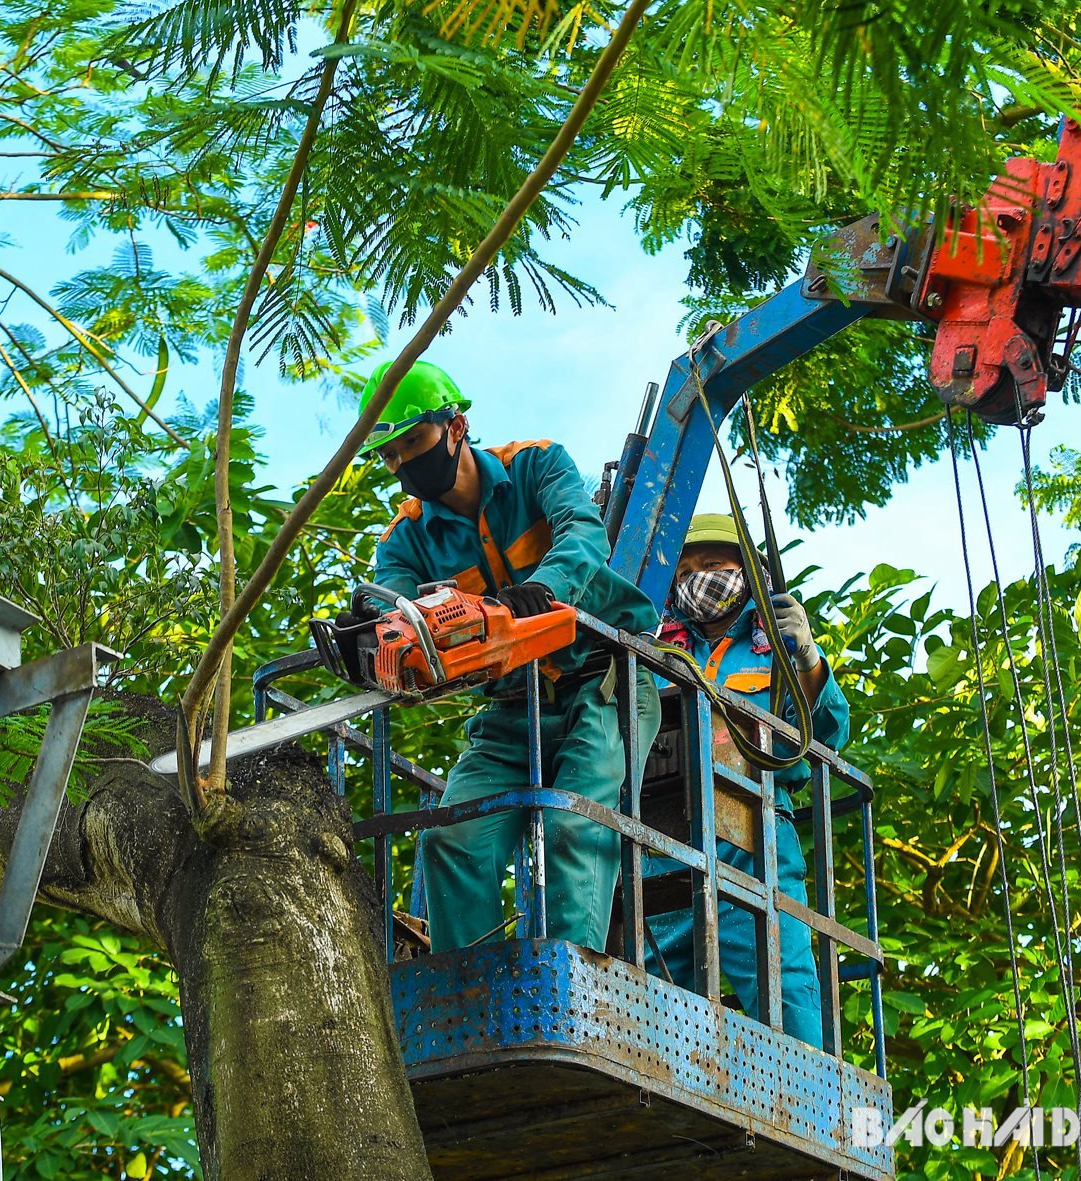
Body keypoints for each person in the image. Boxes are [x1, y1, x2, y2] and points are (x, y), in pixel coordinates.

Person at [335, 358, 663, 954]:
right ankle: (474, 996)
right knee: (451, 840)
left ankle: (574, 993)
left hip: (604, 678)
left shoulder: (537, 464)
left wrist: (544, 589)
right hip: (512, 704)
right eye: (392, 456)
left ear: (455, 426)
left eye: (415, 442)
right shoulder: (403, 541)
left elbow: (584, 536)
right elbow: (404, 621)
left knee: (572, 824)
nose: (406, 463)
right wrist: (373, 630)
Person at [644, 512, 851, 1049]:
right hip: (664, 832)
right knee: (652, 980)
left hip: (752, 832)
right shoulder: (657, 646)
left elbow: (827, 731)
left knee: (780, 975)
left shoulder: (772, 646)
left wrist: (805, 656)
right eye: (685, 569)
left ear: (750, 572)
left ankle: (813, 1101)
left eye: (713, 565)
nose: (699, 579)